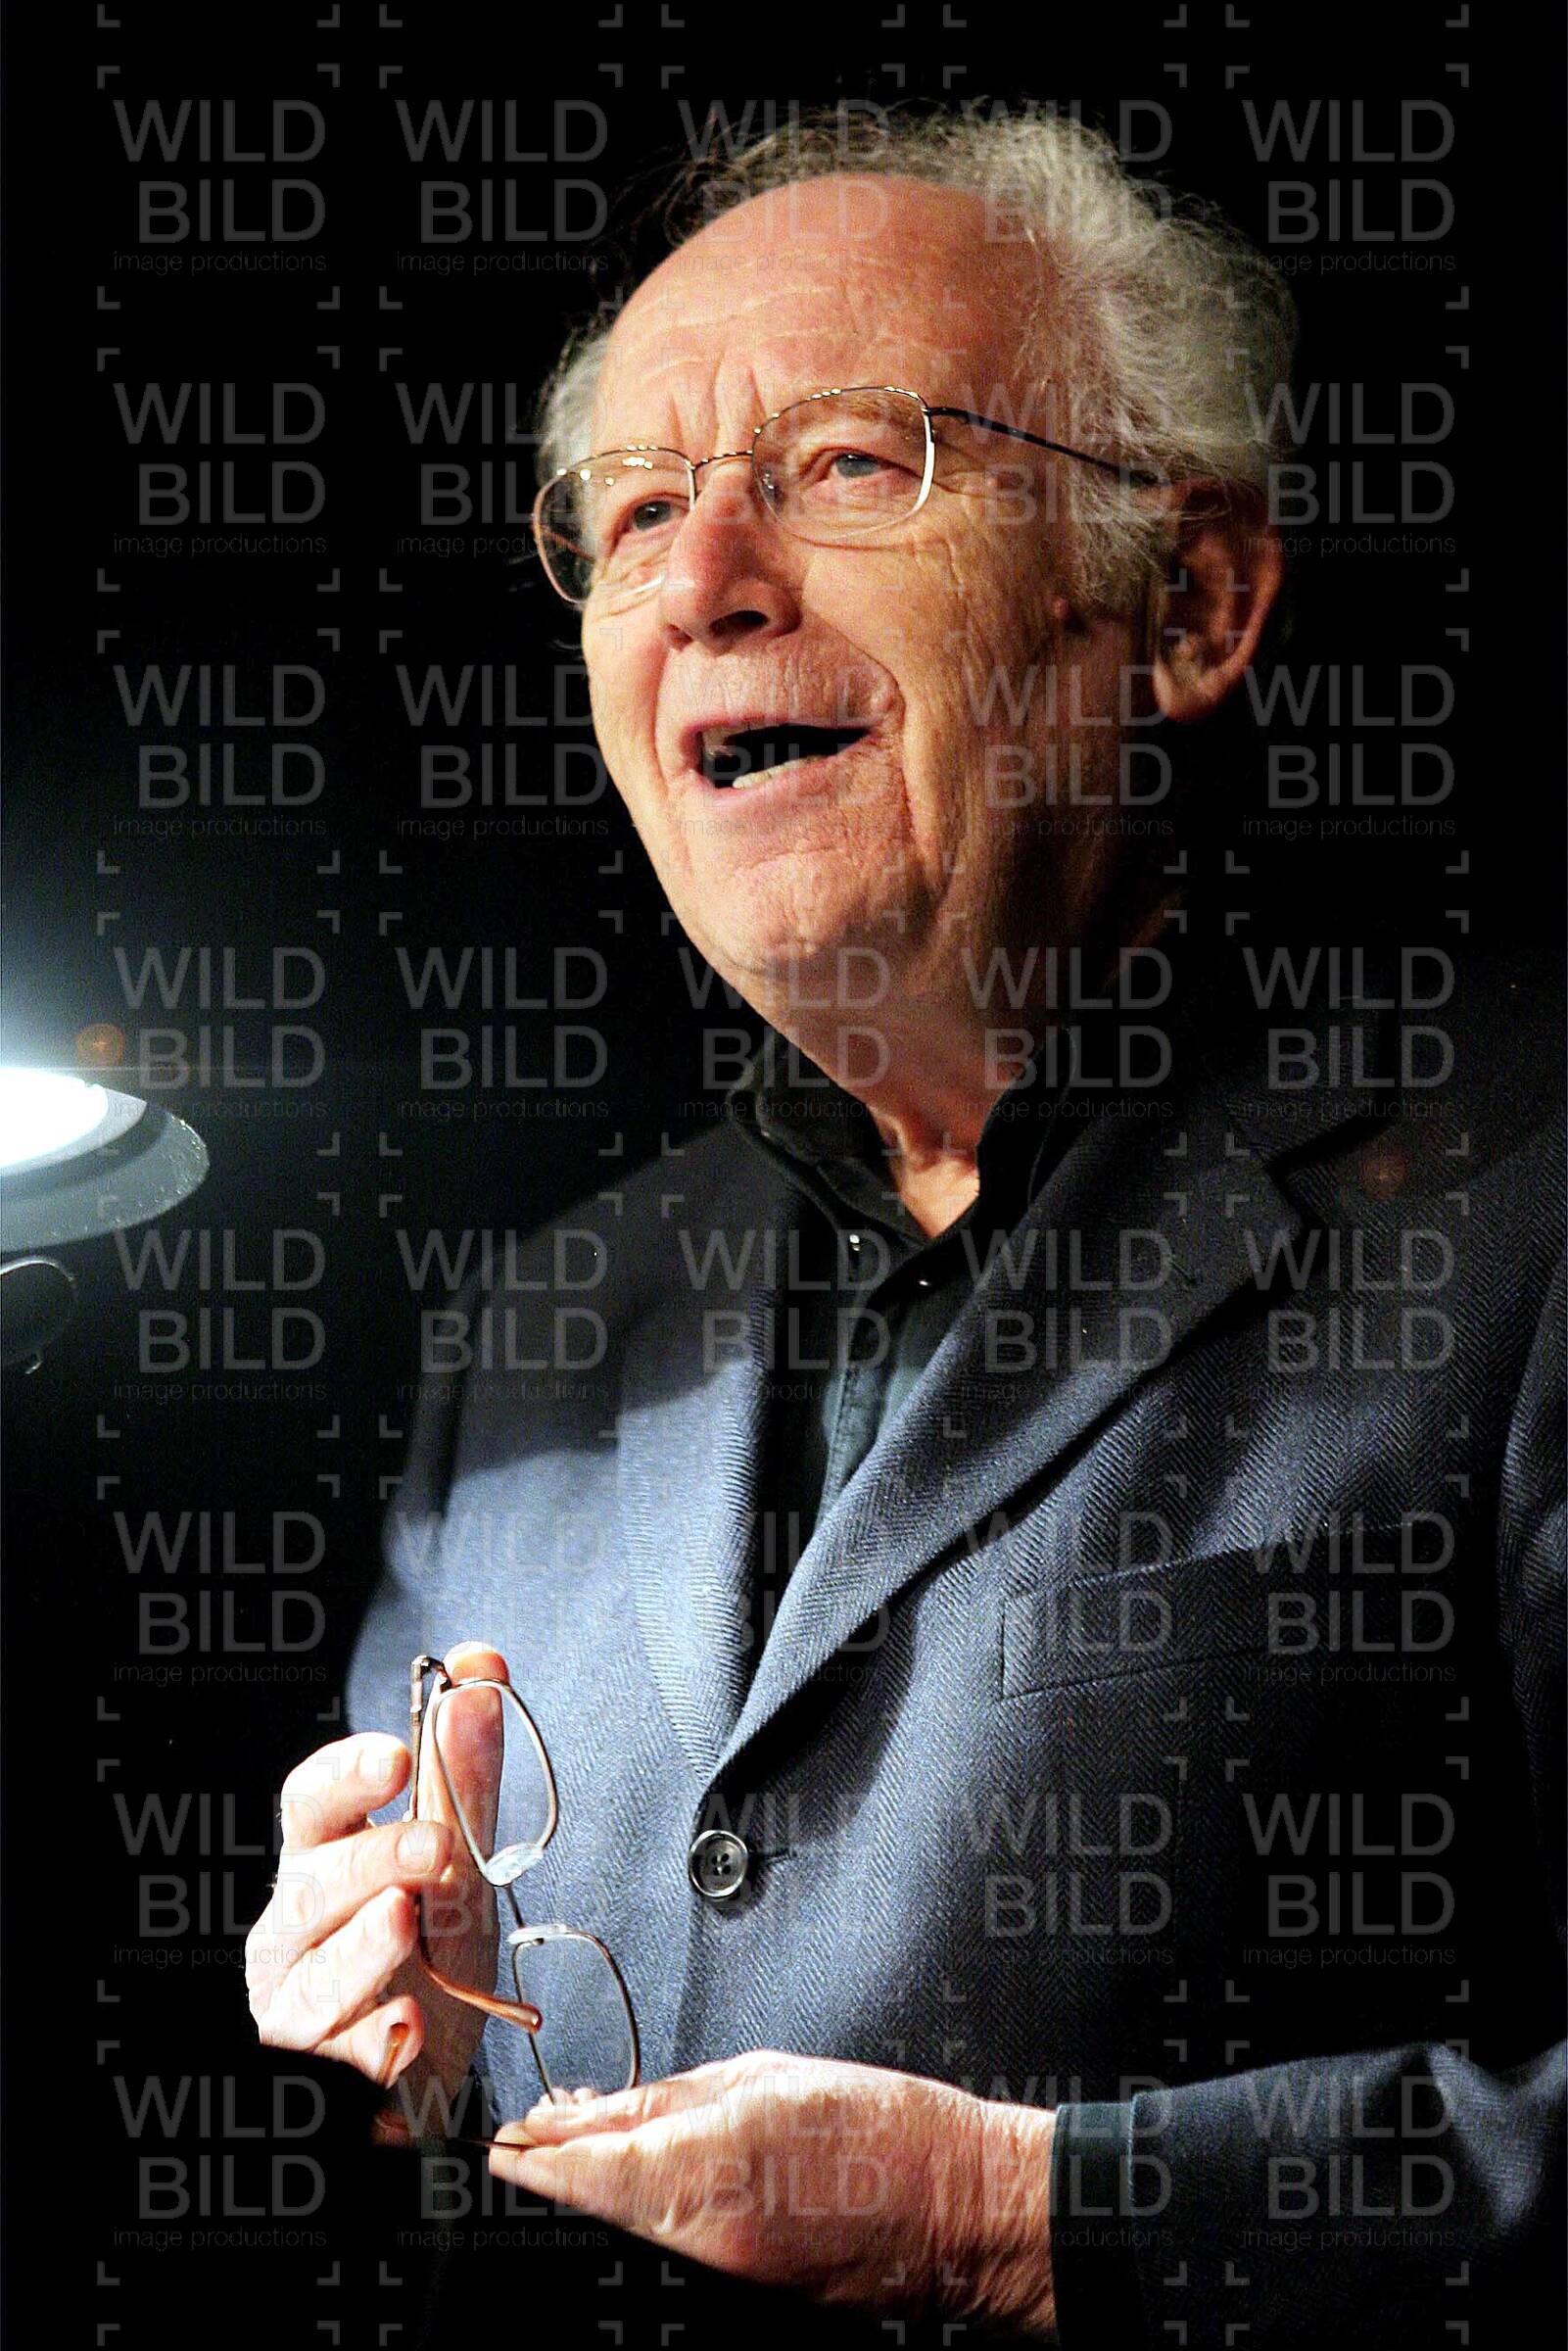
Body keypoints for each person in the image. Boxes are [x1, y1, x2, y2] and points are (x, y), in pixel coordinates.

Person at [245, 110, 1564, 2345]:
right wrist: (390, 2068)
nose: (705, 579)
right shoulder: (538, 1325)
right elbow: (415, 2124)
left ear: (1188, 602)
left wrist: (1026, 2225)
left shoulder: (1523, 1192)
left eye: (849, 465)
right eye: (634, 513)